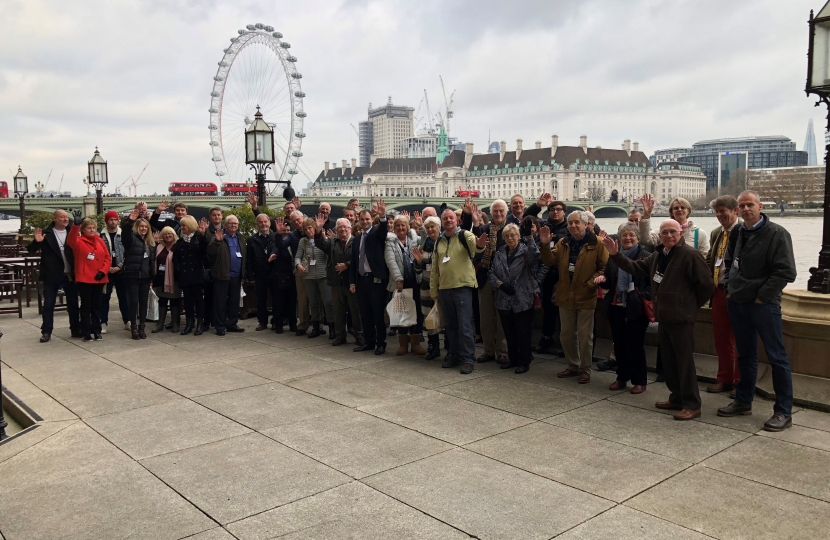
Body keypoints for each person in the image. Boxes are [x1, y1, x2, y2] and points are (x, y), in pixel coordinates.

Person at [602, 219, 714, 421]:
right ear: (659, 235)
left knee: (684, 362)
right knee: (670, 361)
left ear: (680, 232)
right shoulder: (658, 255)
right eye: (665, 232)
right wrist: (615, 255)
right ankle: (677, 397)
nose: (669, 236)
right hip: (664, 316)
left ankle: (692, 404)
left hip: (682, 318)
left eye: (673, 232)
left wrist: (688, 306)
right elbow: (634, 267)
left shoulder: (690, 255)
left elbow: (706, 286)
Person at [717, 191, 797, 432]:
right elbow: (729, 262)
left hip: (764, 305)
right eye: (741, 205)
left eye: (750, 204)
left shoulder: (778, 233)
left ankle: (783, 411)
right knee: (745, 354)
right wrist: (730, 288)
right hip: (738, 301)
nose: (746, 209)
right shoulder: (738, 232)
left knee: (777, 357)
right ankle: (743, 401)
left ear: (760, 206)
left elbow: (785, 272)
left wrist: (762, 296)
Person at [539, 210, 608, 384]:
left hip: (586, 295)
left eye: (577, 222)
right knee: (566, 334)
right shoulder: (563, 243)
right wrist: (546, 245)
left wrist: (592, 283)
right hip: (565, 294)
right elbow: (549, 261)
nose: (573, 226)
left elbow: (604, 268)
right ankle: (573, 365)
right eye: (570, 223)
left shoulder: (598, 243)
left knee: (585, 336)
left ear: (586, 225)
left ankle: (585, 369)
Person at [595, 223, 651, 393]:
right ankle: (621, 377)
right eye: (624, 235)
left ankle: (639, 380)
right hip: (616, 305)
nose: (627, 238)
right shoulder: (614, 257)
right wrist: (603, 279)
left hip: (636, 308)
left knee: (636, 345)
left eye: (631, 235)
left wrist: (641, 297)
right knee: (619, 344)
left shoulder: (646, 256)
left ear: (637, 238)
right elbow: (611, 280)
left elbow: (651, 285)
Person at [430, 208, 487, 373]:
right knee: (451, 327)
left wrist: (480, 245)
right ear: (442, 222)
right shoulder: (438, 242)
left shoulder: (465, 235)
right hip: (445, 289)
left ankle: (468, 359)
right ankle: (454, 355)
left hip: (462, 287)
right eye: (445, 218)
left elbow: (476, 248)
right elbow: (435, 268)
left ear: (457, 220)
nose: (448, 220)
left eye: (451, 218)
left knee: (465, 326)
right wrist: (434, 290)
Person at [488, 221, 540, 373]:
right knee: (508, 332)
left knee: (523, 332)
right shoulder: (499, 252)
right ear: (503, 238)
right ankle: (513, 359)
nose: (510, 238)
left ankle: (524, 361)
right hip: (503, 298)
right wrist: (500, 284)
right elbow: (491, 272)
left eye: (513, 235)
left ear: (518, 236)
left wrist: (529, 237)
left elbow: (536, 256)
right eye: (507, 236)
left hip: (523, 298)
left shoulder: (525, 251)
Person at [464, 199, 510, 364]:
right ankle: (488, 350)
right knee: (485, 317)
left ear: (506, 213)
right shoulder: (483, 228)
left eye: (501, 211)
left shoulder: (510, 230)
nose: (498, 214)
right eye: (495, 211)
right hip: (485, 277)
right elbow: (474, 251)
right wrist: (475, 224)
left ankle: (502, 351)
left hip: (504, 280)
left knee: (502, 316)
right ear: (491, 213)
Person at [705, 195, 742, 395]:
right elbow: (711, 258)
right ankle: (724, 378)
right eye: (717, 211)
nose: (720, 215)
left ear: (735, 211)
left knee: (740, 339)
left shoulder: (745, 231)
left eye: (723, 211)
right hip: (718, 291)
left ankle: (739, 382)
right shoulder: (715, 233)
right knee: (721, 338)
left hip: (737, 293)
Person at [28, 210, 81, 342]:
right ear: (55, 219)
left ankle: (75, 329)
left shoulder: (72, 231)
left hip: (70, 273)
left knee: (73, 303)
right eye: (62, 217)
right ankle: (46, 331)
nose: (65, 219)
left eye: (66, 217)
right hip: (52, 274)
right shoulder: (46, 233)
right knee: (49, 304)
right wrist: (37, 242)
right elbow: (30, 250)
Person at [525, 194, 568, 356]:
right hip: (546, 273)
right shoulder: (545, 224)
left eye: (558, 210)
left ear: (564, 212)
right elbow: (527, 217)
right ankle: (547, 336)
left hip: (563, 273)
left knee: (564, 308)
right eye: (552, 210)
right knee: (548, 307)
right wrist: (538, 205)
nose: (555, 212)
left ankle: (566, 341)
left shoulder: (569, 227)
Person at [351, 200, 391, 355]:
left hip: (376, 280)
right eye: (362, 219)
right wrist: (352, 281)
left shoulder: (376, 233)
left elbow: (383, 232)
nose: (365, 222)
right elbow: (354, 262)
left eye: (367, 219)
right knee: (365, 313)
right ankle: (369, 341)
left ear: (371, 219)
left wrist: (382, 217)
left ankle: (381, 343)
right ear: (358, 221)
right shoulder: (356, 239)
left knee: (377, 313)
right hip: (361, 280)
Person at [316, 217, 363, 346]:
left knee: (355, 310)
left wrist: (347, 265)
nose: (343, 229)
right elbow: (320, 243)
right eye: (340, 227)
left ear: (350, 229)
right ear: (336, 230)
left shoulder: (357, 241)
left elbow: (360, 258)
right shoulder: (331, 242)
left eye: (345, 227)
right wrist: (319, 229)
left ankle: (359, 334)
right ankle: (340, 335)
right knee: (338, 311)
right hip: (336, 282)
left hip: (352, 282)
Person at [66, 216, 111, 341]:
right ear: (83, 230)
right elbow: (70, 240)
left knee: (97, 306)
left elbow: (107, 257)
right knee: (86, 306)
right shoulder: (79, 241)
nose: (92, 230)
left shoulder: (100, 240)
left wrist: (103, 271)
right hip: (85, 279)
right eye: (89, 228)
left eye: (94, 228)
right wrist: (76, 225)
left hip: (99, 278)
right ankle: (86, 331)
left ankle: (96, 330)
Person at [385, 214, 425, 355]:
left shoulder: (414, 239)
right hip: (400, 282)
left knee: (417, 312)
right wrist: (398, 279)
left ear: (407, 227)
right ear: (394, 228)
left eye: (403, 225)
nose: (401, 228)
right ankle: (403, 343)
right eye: (398, 225)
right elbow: (391, 262)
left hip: (416, 280)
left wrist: (421, 226)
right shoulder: (390, 242)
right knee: (401, 312)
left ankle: (415, 342)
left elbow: (427, 241)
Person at [295, 216, 334, 339]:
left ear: (315, 227)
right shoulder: (303, 241)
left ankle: (332, 328)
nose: (308, 231)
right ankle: (316, 327)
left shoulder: (323, 237)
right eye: (305, 229)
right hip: (309, 275)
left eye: (310, 228)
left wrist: (324, 237)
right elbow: (297, 256)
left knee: (328, 302)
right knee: (313, 302)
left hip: (323, 274)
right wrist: (298, 265)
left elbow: (329, 252)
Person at [207, 214, 247, 336]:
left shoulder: (240, 238)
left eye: (235, 223)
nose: (233, 225)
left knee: (234, 302)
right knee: (220, 302)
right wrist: (217, 242)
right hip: (222, 275)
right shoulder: (220, 236)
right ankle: (220, 326)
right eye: (231, 223)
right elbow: (210, 252)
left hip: (236, 276)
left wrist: (244, 275)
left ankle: (232, 324)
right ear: (226, 224)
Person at [121, 209, 156, 340]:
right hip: (133, 275)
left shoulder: (150, 243)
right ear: (137, 227)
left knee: (143, 302)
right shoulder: (131, 239)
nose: (143, 228)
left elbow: (152, 261)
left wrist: (152, 276)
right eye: (141, 226)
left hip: (146, 277)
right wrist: (130, 221)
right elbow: (125, 235)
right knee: (134, 302)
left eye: (146, 227)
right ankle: (133, 327)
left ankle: (142, 326)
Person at [639, 194, 709, 257]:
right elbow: (645, 238)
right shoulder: (662, 232)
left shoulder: (700, 234)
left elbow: (705, 257)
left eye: (683, 207)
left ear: (688, 211)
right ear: (671, 212)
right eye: (676, 208)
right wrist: (647, 215)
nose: (679, 210)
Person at [412, 216, 442, 359]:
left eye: (433, 227)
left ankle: (449, 346)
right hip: (426, 287)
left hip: (442, 287)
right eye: (428, 227)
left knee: (445, 317)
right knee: (429, 318)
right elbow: (418, 271)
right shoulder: (422, 246)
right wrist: (418, 263)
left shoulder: (444, 243)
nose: (430, 230)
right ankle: (434, 346)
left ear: (439, 228)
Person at [173, 216, 207, 335]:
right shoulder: (180, 242)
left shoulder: (198, 238)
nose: (182, 228)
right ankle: (189, 323)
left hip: (197, 275)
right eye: (182, 225)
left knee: (199, 301)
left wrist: (203, 236)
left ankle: (200, 324)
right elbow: (175, 258)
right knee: (187, 301)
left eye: (184, 225)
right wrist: (178, 268)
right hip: (185, 275)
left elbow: (204, 253)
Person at [99, 210, 128, 333]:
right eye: (111, 219)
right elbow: (99, 254)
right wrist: (106, 267)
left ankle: (127, 320)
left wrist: (120, 266)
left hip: (121, 270)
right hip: (106, 271)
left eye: (115, 219)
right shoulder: (100, 235)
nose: (113, 221)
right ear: (106, 221)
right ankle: (103, 322)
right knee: (105, 297)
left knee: (123, 297)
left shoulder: (124, 234)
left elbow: (128, 251)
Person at [267, 217, 297, 334]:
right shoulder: (278, 241)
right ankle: (278, 324)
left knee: (291, 302)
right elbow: (278, 247)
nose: (286, 232)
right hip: (279, 277)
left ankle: (293, 324)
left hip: (292, 276)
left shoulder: (294, 241)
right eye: (283, 230)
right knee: (278, 303)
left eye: (288, 230)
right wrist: (279, 235)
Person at [247, 214, 277, 332]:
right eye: (261, 222)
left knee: (276, 299)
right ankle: (262, 322)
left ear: (269, 223)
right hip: (259, 274)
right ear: (257, 224)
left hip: (274, 273)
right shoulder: (252, 239)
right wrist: (250, 275)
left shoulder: (275, 237)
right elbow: (249, 258)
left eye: (265, 222)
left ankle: (276, 321)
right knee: (260, 299)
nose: (263, 224)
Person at [284, 210, 311, 335]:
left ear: (303, 217)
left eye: (298, 220)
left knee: (318, 298)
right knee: (302, 299)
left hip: (317, 269)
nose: (296, 222)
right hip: (300, 269)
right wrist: (279, 235)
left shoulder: (314, 229)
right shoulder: (292, 235)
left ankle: (319, 324)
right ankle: (303, 325)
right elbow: (282, 245)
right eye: (293, 221)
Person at [151, 226, 181, 333]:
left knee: (174, 301)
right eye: (165, 234)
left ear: (174, 235)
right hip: (160, 278)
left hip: (174, 279)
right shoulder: (158, 247)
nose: (168, 236)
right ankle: (160, 324)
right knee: (162, 300)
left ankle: (175, 323)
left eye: (170, 234)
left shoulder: (177, 247)